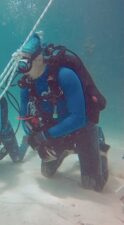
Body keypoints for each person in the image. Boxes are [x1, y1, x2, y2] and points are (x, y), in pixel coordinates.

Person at [15, 33, 109, 191]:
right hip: (55, 128)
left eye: (25, 63)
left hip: (82, 128)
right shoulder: (27, 83)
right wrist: (32, 134)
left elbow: (78, 118)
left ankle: (99, 144)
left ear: (39, 59)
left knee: (92, 185)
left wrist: (44, 136)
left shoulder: (65, 75)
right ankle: (66, 149)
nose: (22, 69)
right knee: (46, 172)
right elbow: (24, 116)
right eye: (20, 63)